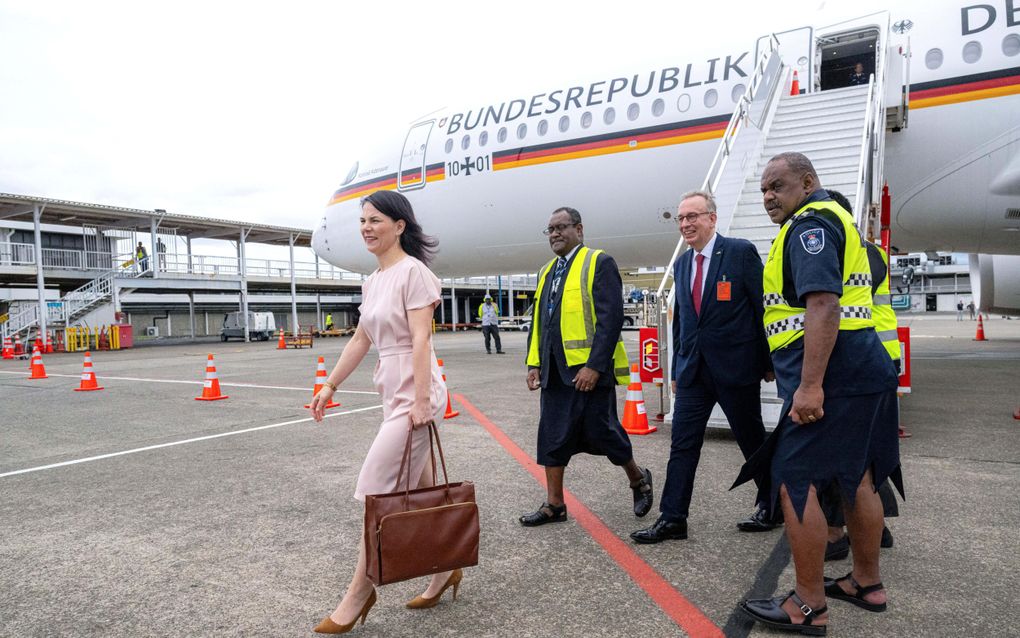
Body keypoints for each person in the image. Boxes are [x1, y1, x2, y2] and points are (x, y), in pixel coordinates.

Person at [736, 153, 902, 635]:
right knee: (860, 476)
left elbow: (824, 305)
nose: (768, 196)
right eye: (764, 189)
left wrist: (809, 386)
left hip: (835, 375)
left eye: (778, 186)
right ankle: (866, 584)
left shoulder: (811, 225)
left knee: (795, 478)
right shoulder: (836, 222)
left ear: (808, 182)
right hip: (862, 368)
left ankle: (807, 605)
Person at [308, 190, 460, 634]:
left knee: (377, 491)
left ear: (399, 226)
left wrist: (420, 403)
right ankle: (445, 567)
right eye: (362, 221)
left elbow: (420, 340)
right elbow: (360, 339)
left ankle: (360, 591)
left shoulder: (415, 274)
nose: (366, 228)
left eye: (376, 220)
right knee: (426, 489)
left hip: (416, 391)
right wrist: (329, 385)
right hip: (390, 389)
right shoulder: (374, 280)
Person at [630, 191, 776, 545]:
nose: (685, 224)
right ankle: (673, 518)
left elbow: (762, 309)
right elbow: (682, 322)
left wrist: (767, 362)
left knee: (752, 441)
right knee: (682, 445)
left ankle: (773, 506)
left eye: (692, 216)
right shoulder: (681, 265)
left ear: (712, 218)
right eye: (681, 219)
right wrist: (677, 371)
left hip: (736, 370)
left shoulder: (739, 253)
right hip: (694, 372)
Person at [520, 206, 653, 526]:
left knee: (604, 433)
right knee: (551, 437)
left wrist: (595, 366)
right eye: (549, 229)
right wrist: (533, 363)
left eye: (560, 227)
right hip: (554, 371)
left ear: (578, 230)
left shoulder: (598, 262)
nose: (554, 234)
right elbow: (541, 322)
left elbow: (611, 319)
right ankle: (555, 505)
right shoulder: (545, 271)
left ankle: (638, 479)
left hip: (587, 374)